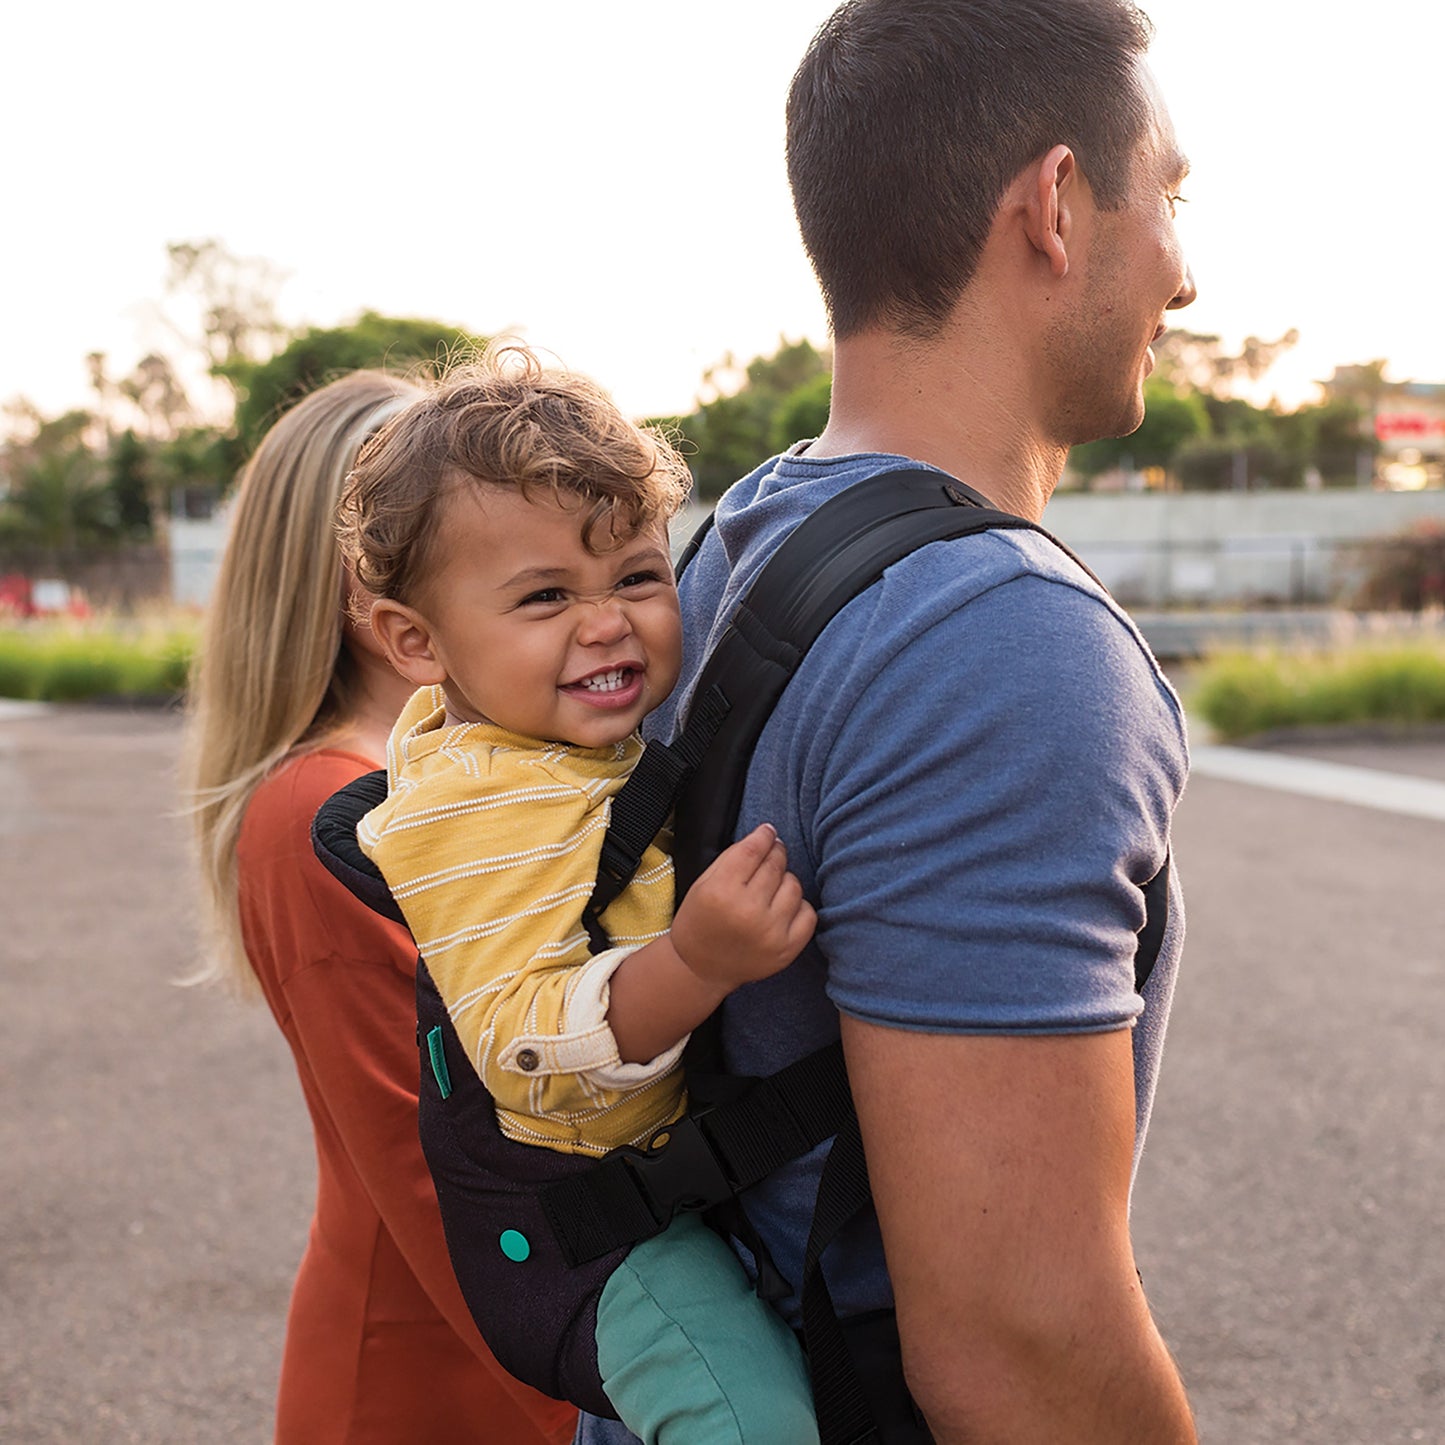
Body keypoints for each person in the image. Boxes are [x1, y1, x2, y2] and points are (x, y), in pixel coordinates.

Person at [580, 1, 1200, 1442]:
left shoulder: (735, 537)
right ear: (1053, 207)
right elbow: (1020, 1344)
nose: (1186, 269)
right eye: (1169, 195)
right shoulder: (997, 641)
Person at [336, 349, 820, 1445]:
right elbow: (520, 1042)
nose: (606, 622)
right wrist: (691, 965)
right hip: (590, 1235)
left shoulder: (547, 732)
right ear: (417, 641)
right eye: (546, 595)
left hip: (649, 1177)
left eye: (638, 577)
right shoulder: (474, 811)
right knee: (751, 1421)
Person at [181, 370, 577, 1445]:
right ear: (358, 579)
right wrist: (607, 1409)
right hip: (437, 1381)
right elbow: (437, 1176)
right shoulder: (317, 812)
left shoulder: (460, 768)